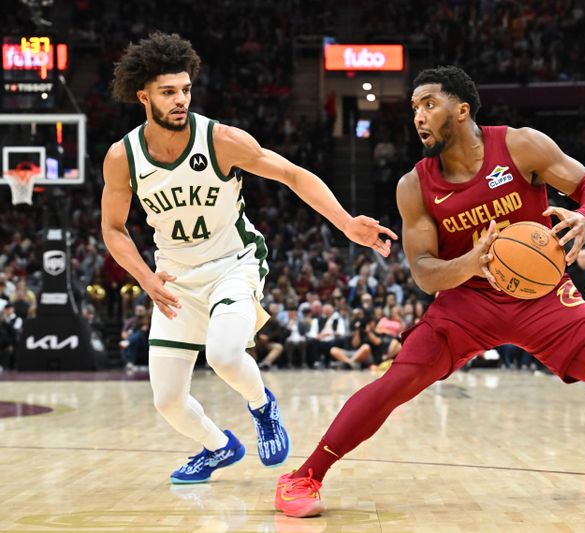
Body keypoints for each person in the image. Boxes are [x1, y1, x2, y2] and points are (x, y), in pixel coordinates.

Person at [274, 66, 585, 518]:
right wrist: (471, 262)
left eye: (429, 104)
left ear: (462, 110)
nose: (418, 117)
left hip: (541, 297)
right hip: (467, 303)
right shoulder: (414, 186)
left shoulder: (520, 145)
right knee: (395, 383)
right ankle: (303, 475)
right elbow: (424, 273)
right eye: (414, 109)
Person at [101, 32, 396, 484]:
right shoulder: (123, 157)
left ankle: (263, 407)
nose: (180, 99)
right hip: (174, 278)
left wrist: (345, 223)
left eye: (185, 89)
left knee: (222, 352)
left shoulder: (221, 140)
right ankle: (219, 447)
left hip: (232, 263)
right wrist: (144, 277)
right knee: (167, 400)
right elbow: (113, 229)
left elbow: (292, 175)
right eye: (168, 92)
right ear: (144, 96)